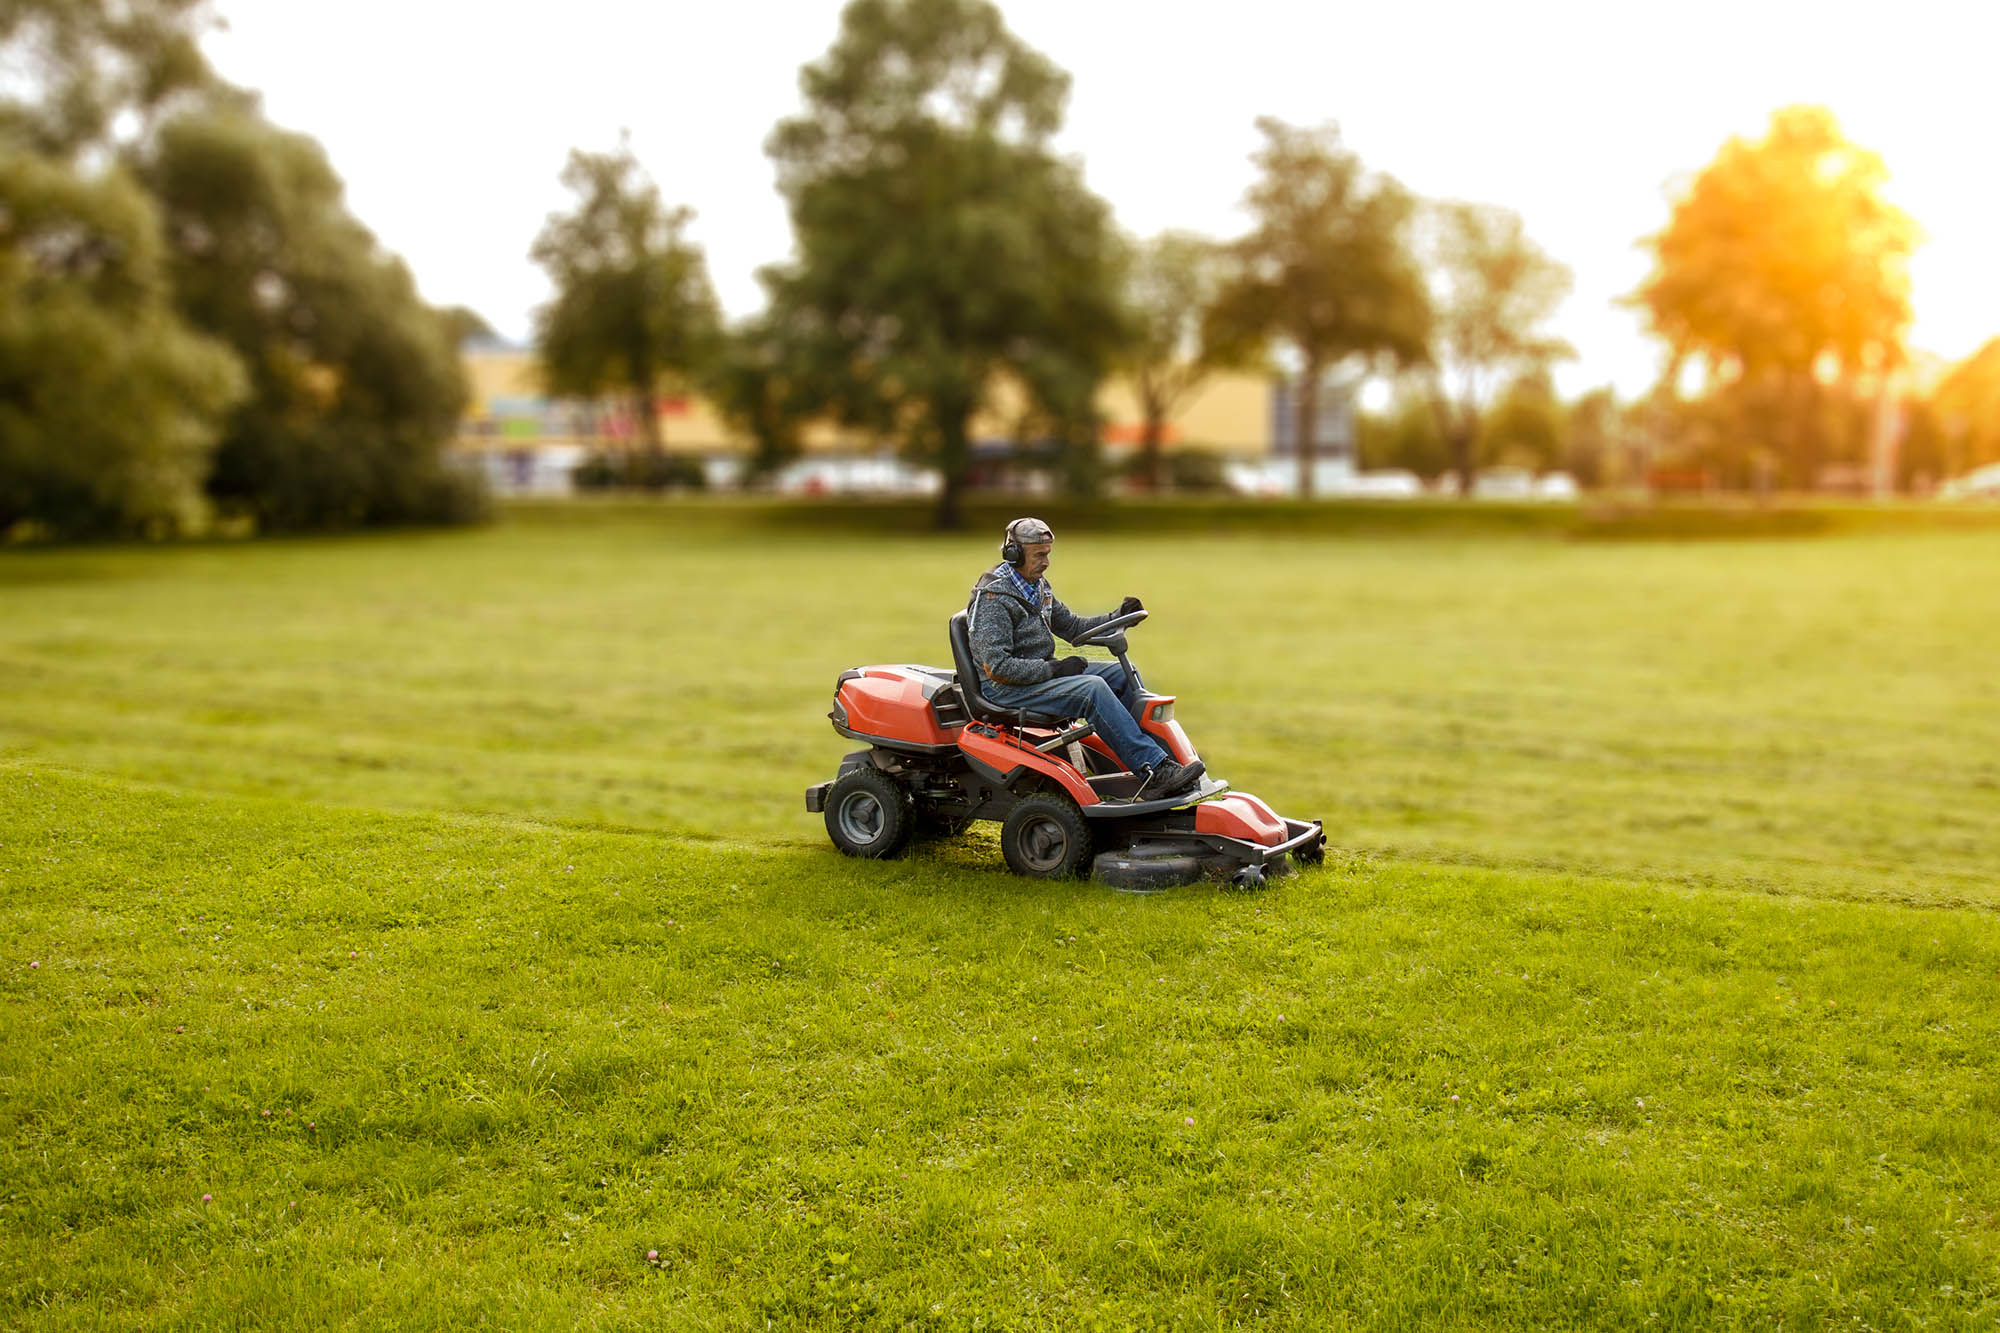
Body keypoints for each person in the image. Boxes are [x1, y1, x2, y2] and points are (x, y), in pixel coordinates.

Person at [966, 517, 1205, 799]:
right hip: (1007, 689)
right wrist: (1053, 670)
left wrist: (1117, 617)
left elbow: (1072, 627)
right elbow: (997, 668)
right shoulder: (994, 598)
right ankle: (1153, 769)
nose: (1046, 562)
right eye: (1039, 555)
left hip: (1036, 677)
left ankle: (1163, 766)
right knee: (1092, 689)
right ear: (1013, 554)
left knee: (1122, 675)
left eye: (1048, 554)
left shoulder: (1036, 586)